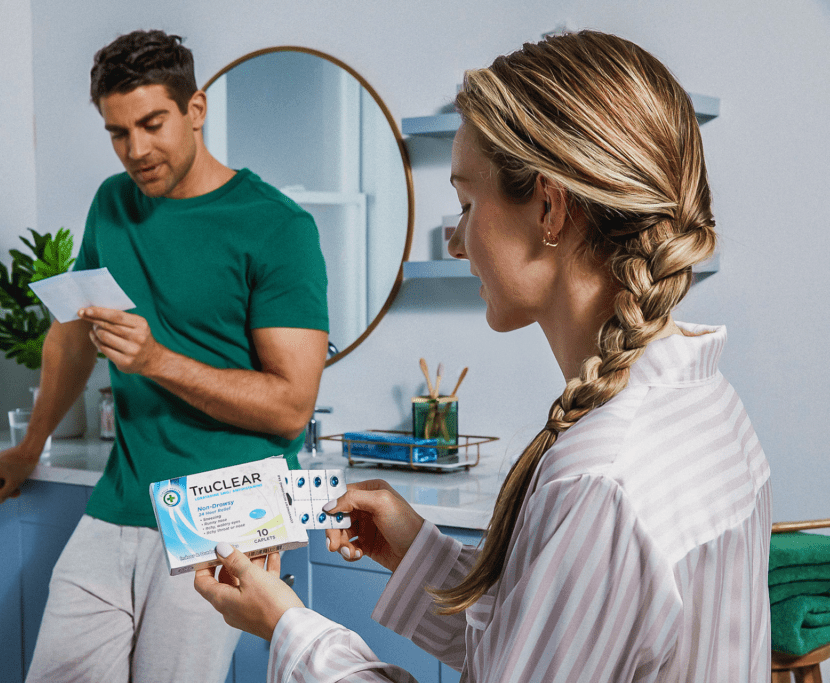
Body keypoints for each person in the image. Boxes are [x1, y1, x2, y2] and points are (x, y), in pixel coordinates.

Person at [195, 30, 772, 682]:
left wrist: (288, 627)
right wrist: (420, 553)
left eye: (467, 202)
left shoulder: (600, 482)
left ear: (550, 208)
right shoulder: (707, 403)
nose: (457, 237)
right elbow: (553, 644)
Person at [0, 29, 330, 683]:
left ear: (195, 110)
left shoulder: (277, 226)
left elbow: (290, 408)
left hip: (228, 509)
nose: (136, 150)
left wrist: (157, 360)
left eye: (152, 124)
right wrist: (31, 445)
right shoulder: (112, 204)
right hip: (121, 500)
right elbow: (72, 332)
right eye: (119, 132)